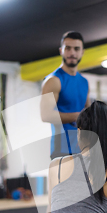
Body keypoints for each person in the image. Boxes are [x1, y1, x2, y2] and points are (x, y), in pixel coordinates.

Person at [40, 31, 90, 160]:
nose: (72, 53)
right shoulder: (53, 80)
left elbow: (89, 114)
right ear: (61, 50)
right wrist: (79, 116)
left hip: (82, 149)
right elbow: (45, 115)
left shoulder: (84, 83)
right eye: (68, 48)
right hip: (61, 151)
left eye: (76, 49)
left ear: (82, 52)